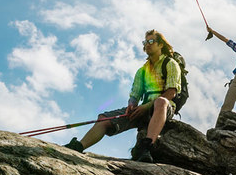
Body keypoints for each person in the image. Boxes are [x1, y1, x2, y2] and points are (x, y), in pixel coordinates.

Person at [64, 29, 181, 163]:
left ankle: (146, 148)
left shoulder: (170, 64)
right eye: (145, 42)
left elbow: (171, 92)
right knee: (103, 118)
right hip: (143, 110)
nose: (147, 44)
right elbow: (135, 94)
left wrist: (147, 106)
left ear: (161, 45)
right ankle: (78, 146)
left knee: (160, 101)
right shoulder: (142, 71)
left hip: (163, 108)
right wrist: (131, 105)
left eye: (151, 41)